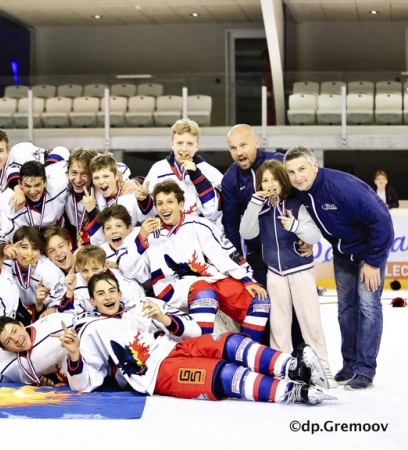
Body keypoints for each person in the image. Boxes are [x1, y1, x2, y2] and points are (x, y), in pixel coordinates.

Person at [62, 272, 334, 405]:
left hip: (178, 346)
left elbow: (194, 331)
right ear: (92, 299)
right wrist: (74, 355)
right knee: (225, 375)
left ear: (120, 293)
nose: (108, 297)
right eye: (101, 293)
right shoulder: (92, 329)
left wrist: (165, 319)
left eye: (112, 290)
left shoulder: (142, 305)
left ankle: (295, 368)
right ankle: (293, 393)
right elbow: (81, 385)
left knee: (231, 341)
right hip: (160, 373)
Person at [284, 146, 394, 390]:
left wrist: (374, 261)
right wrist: (309, 240)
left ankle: (365, 371)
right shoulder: (300, 191)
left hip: (368, 251)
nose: (297, 176)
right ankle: (349, 365)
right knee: (345, 309)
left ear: (315, 166)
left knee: (367, 307)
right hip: (342, 255)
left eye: (302, 169)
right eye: (291, 172)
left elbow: (382, 220)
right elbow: (315, 219)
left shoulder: (342, 187)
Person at [119, 180, 270, 342]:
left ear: (181, 204)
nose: (164, 208)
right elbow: (126, 268)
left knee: (259, 300)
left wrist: (247, 279)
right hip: (174, 288)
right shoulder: (147, 232)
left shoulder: (199, 224)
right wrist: (142, 236)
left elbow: (226, 252)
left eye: (170, 202)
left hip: (208, 279)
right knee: (205, 293)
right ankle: (205, 353)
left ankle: (246, 351)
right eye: (160, 203)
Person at [239, 159, 336, 387]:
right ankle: (280, 367)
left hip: (300, 271)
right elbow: (246, 231)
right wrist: (254, 202)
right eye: (264, 180)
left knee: (310, 321)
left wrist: (294, 226)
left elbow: (314, 236)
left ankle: (323, 368)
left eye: (274, 179)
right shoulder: (259, 209)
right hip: (275, 273)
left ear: (283, 181)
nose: (270, 184)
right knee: (279, 324)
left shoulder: (295, 205)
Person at [222, 124, 285, 288]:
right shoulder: (230, 180)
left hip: (287, 248)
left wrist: (305, 237)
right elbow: (230, 223)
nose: (239, 152)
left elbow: (303, 197)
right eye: (233, 148)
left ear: (256, 142)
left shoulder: (279, 162)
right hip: (257, 253)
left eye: (243, 145)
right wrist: (238, 262)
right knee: (264, 306)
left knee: (295, 307)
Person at [145, 119, 223, 222]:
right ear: (172, 144)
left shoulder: (211, 173)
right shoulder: (158, 169)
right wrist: (143, 199)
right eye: (179, 143)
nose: (184, 149)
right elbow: (148, 215)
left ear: (197, 146)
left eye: (190, 144)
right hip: (168, 236)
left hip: (199, 235)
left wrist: (197, 176)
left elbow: (213, 213)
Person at [0, 161, 69, 243]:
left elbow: (63, 151)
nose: (32, 191)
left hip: (59, 239)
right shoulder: (8, 202)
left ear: (45, 182)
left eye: (37, 185)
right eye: (27, 186)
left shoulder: (60, 184)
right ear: (20, 184)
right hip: (29, 248)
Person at [56, 245, 144, 315]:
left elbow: (138, 311)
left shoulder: (125, 285)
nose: (90, 275)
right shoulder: (73, 283)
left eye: (95, 269)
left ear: (105, 266)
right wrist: (70, 292)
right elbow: (65, 316)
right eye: (85, 270)